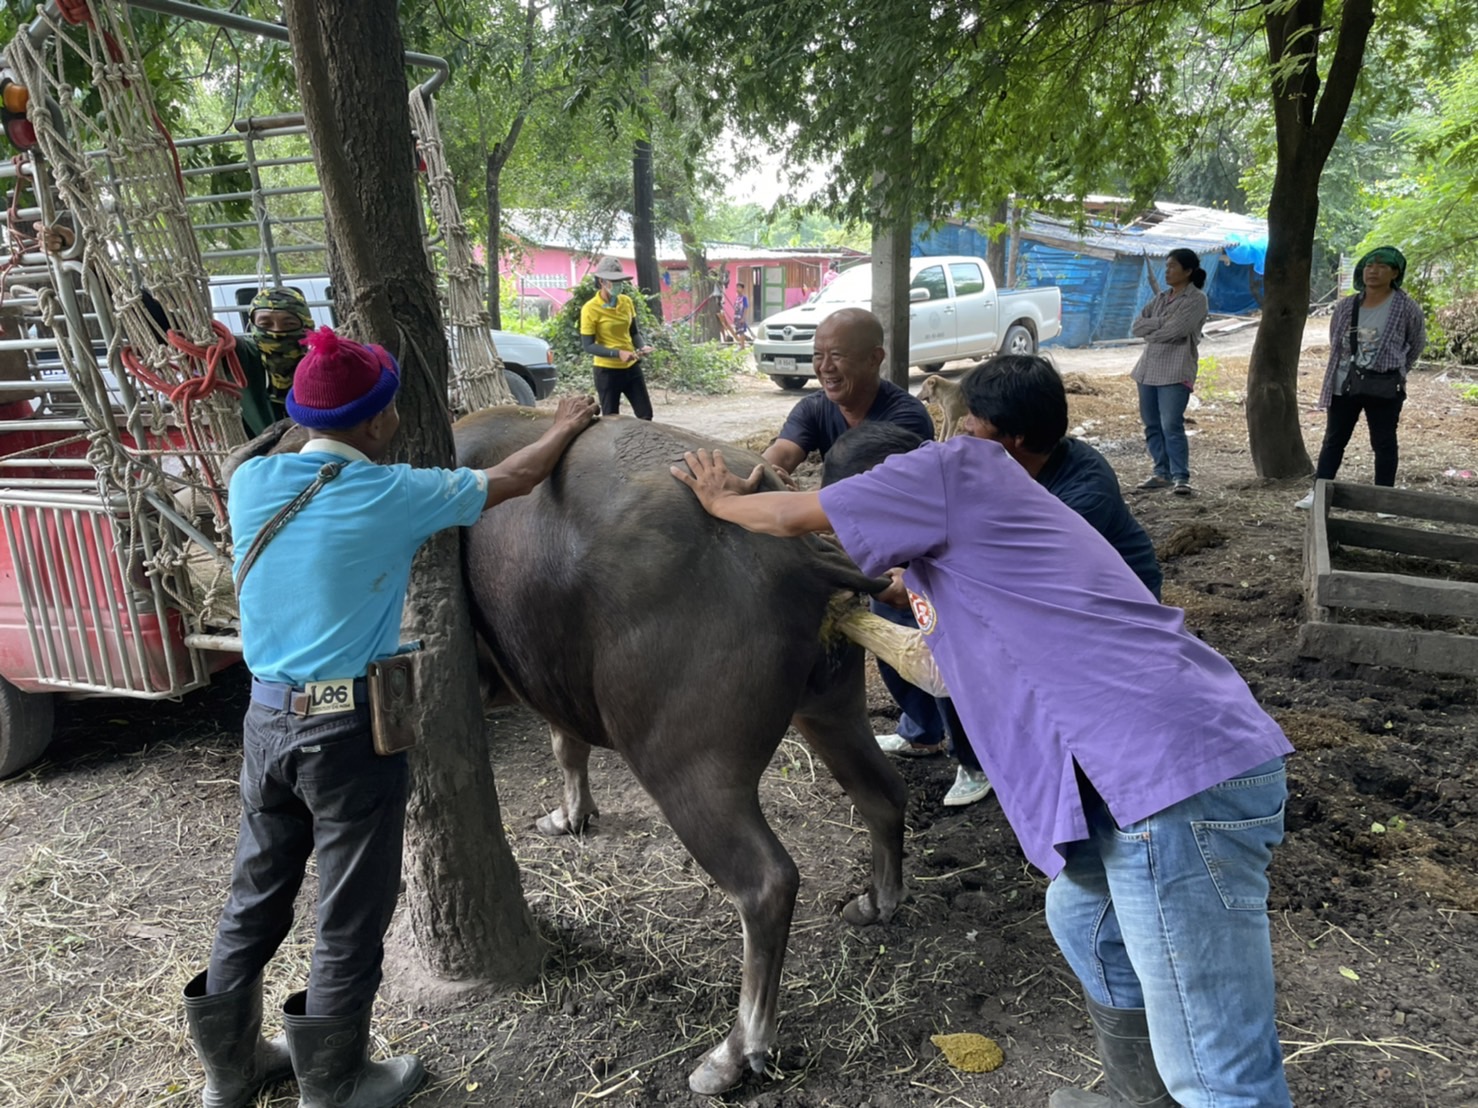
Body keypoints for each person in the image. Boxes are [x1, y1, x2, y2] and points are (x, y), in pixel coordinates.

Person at [671, 406, 1294, 1106]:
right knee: (1082, 916)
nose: (870, 546)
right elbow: (944, 663)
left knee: (1213, 1065)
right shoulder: (976, 537)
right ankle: (1134, 1098)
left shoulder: (948, 467)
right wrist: (863, 611)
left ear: (887, 493)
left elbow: (791, 517)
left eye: (859, 522)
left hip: (1170, 778)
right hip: (1131, 772)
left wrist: (726, 501)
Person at [183, 326, 599, 1108]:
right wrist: (566, 423)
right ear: (376, 424)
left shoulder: (251, 485)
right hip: (345, 733)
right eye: (394, 406)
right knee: (350, 906)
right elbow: (511, 477)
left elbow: (290, 436)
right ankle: (335, 1083)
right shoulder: (390, 493)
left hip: (266, 722)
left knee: (256, 892)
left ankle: (230, 1069)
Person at [856, 354, 1162, 807]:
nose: (963, 430)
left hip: (1097, 612)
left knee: (947, 625)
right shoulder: (998, 466)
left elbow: (1009, 569)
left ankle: (979, 760)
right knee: (898, 606)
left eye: (974, 422)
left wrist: (922, 579)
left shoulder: (1083, 489)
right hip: (1028, 594)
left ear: (1013, 437)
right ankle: (923, 730)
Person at [760, 307, 939, 756]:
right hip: (859, 542)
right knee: (889, 647)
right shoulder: (814, 407)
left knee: (929, 645)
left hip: (910, 551)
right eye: (818, 355)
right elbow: (780, 454)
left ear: (875, 358)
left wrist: (799, 509)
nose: (824, 367)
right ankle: (921, 731)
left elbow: (876, 500)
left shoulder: (907, 417)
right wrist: (765, 475)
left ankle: (972, 758)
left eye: (836, 355)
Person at [1295, 245, 1425, 510]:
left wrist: (1398, 369)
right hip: (1345, 382)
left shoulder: (1407, 307)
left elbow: (1416, 343)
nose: (1373, 271)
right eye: (1368, 265)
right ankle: (1319, 493)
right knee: (1334, 440)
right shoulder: (1347, 305)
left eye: (1382, 266)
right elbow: (1336, 342)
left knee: (1384, 442)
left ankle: (1383, 500)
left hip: (1386, 384)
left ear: (1395, 272)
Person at [1130, 248, 1209, 497]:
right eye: (1166, 266)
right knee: (1151, 424)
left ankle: (1180, 477)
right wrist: (1160, 324)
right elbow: (1136, 326)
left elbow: (1176, 331)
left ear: (1188, 271)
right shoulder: (1162, 298)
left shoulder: (1196, 300)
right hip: (1147, 370)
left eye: (1172, 266)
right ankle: (1160, 472)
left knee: (1171, 424)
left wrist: (1153, 329)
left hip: (1175, 371)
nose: (1167, 271)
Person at [580, 255, 654, 420]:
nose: (618, 286)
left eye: (620, 281)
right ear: (601, 282)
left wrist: (642, 347)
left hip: (631, 367)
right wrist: (617, 353)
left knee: (645, 414)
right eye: (614, 282)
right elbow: (588, 346)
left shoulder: (626, 302)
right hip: (607, 371)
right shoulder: (590, 309)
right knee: (611, 418)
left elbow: (634, 332)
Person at [237, 287, 315, 436]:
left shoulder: (323, 366)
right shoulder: (243, 358)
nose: (276, 332)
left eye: (289, 324)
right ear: (252, 327)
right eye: (265, 325)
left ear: (307, 326)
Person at [733, 282, 751, 347]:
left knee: (741, 331)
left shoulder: (744, 298)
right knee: (738, 331)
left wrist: (743, 318)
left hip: (741, 317)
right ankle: (740, 345)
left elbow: (746, 308)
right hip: (736, 317)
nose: (737, 289)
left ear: (743, 289)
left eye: (739, 288)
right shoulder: (737, 298)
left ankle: (742, 346)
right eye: (737, 287)